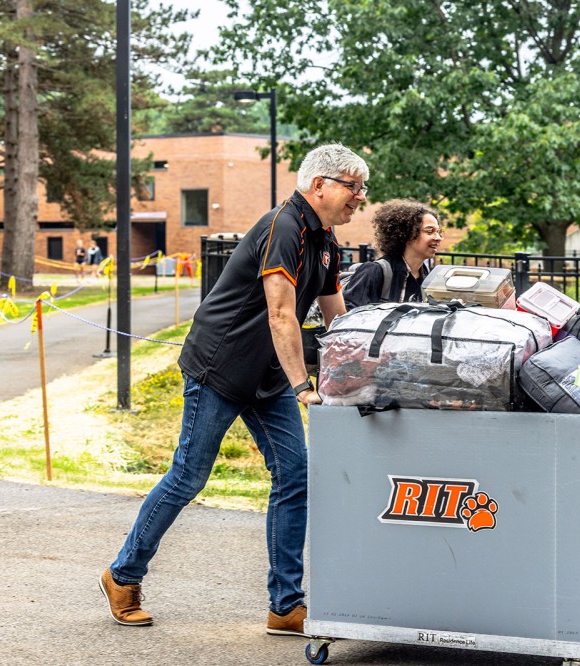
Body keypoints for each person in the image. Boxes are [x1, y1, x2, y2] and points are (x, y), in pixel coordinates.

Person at [99, 143, 369, 634]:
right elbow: (280, 312)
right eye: (354, 188)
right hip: (219, 367)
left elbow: (337, 316)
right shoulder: (282, 228)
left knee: (295, 477)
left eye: (362, 189)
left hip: (266, 376)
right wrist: (303, 386)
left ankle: (285, 605)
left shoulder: (326, 240)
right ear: (320, 185)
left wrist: (360, 374)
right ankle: (123, 575)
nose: (360, 198)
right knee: (188, 476)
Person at [342, 199, 443, 307]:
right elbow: (349, 318)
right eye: (429, 231)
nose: (438, 238)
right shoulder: (375, 272)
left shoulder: (426, 276)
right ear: (407, 233)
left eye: (438, 232)